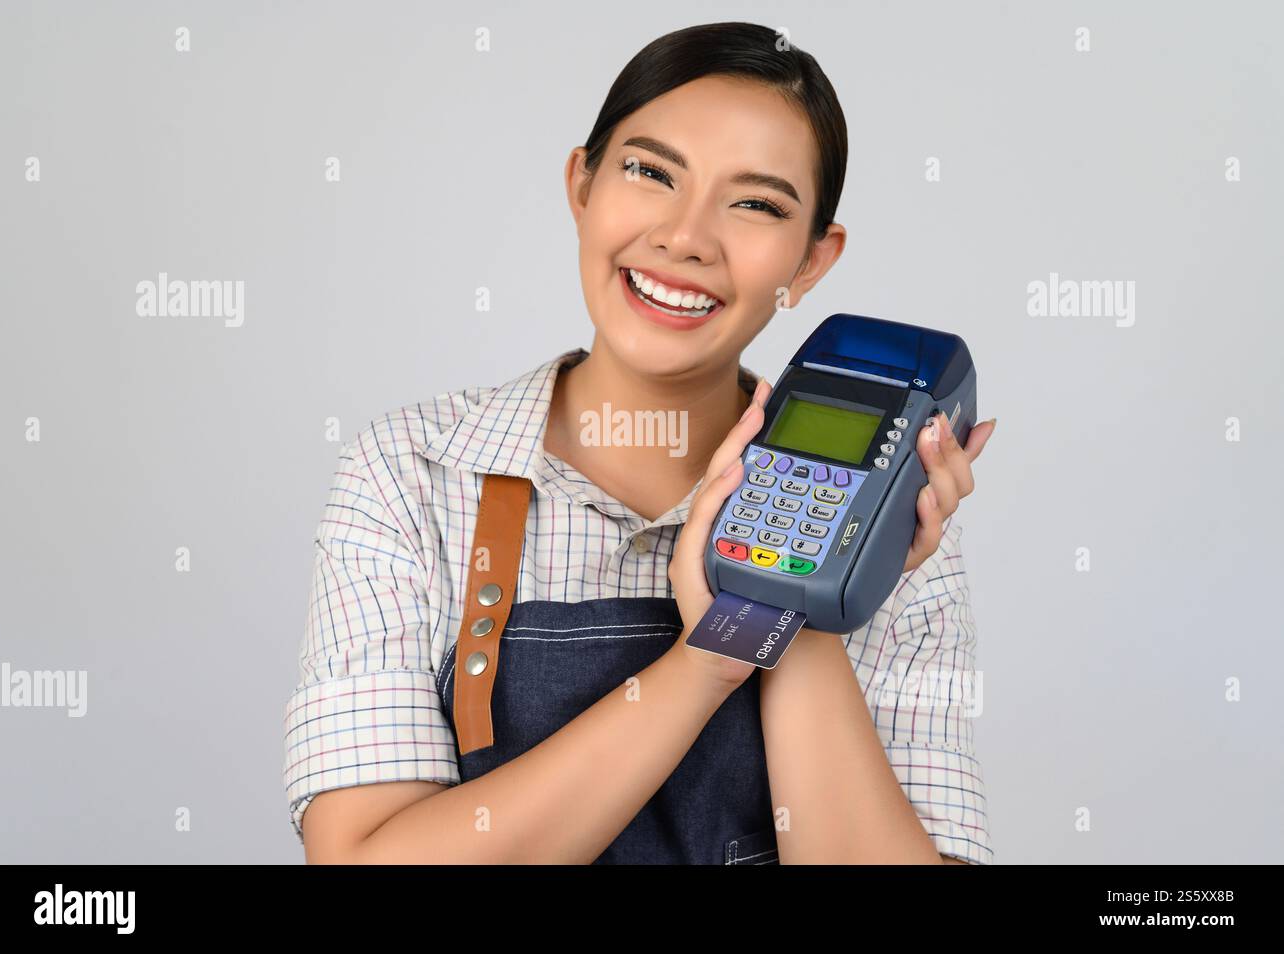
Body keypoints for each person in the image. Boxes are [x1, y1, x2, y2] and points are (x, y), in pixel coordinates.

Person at [281, 21, 997, 864]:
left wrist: (802, 597)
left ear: (810, 262)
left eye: (757, 204)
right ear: (581, 184)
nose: (685, 237)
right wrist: (710, 658)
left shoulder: (898, 537)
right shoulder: (413, 474)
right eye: (650, 172)